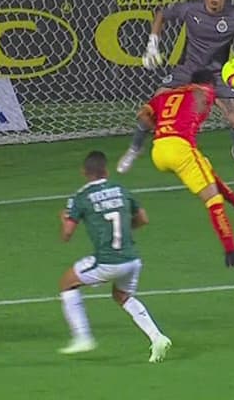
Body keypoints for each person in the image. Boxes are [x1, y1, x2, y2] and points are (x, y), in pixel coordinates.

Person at [120, 0, 234, 183]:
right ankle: (135, 148)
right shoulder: (190, 9)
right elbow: (161, 14)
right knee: (148, 112)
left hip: (217, 75)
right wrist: (152, 45)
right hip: (187, 71)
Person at [135, 68, 234, 267]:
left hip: (158, 150)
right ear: (209, 84)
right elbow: (228, 111)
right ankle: (232, 252)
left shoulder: (166, 95)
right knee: (214, 200)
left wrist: (159, 127)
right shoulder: (204, 91)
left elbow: (142, 116)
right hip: (180, 149)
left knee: (205, 167)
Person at [58, 151, 172, 361]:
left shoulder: (81, 197)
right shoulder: (121, 189)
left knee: (67, 283)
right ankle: (157, 337)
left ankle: (83, 337)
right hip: (132, 259)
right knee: (122, 296)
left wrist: (63, 218)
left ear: (84, 172)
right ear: (106, 171)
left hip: (108, 261)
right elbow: (143, 219)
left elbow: (67, 234)